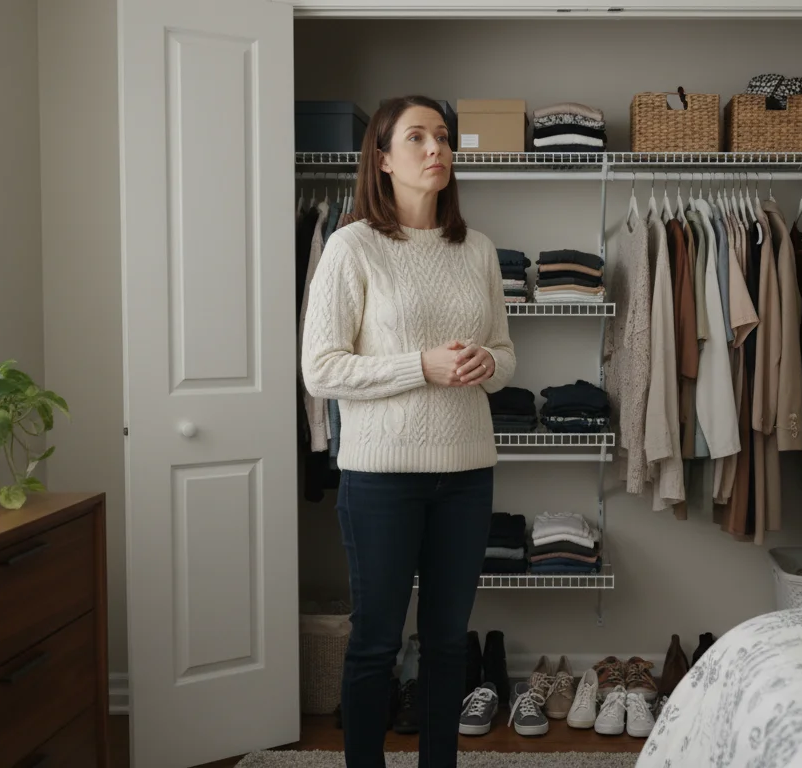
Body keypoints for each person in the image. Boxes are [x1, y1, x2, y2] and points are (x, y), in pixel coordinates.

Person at [300, 95, 515, 768]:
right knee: (375, 643)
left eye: (444, 137)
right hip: (380, 479)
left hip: (467, 472)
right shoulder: (351, 246)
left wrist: (489, 365)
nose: (436, 149)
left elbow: (505, 353)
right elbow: (320, 370)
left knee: (449, 643)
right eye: (417, 137)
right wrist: (420, 365)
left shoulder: (476, 248)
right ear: (383, 158)